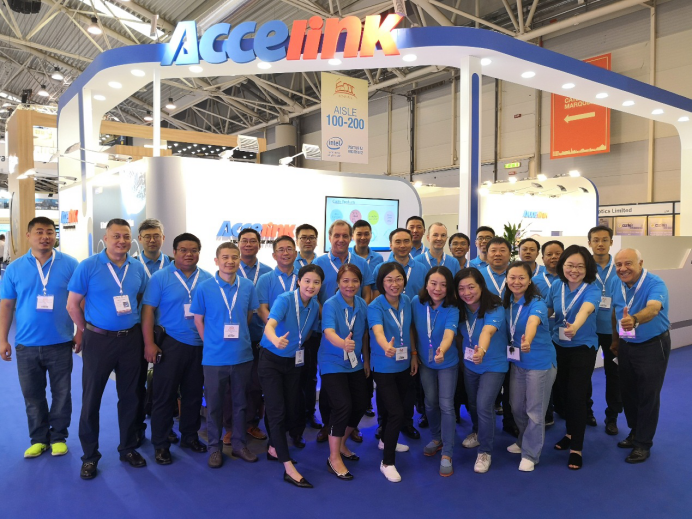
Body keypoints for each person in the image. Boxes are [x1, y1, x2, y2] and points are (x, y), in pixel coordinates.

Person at [66, 219, 148, 480]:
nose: (122, 241)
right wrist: (86, 329)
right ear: (106, 238)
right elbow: (72, 304)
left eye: (126, 236)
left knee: (131, 396)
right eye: (116, 236)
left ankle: (128, 448)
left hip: (131, 340)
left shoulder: (137, 268)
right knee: (92, 399)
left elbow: (139, 299)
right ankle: (90, 456)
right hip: (99, 340)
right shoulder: (88, 265)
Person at [0, 217, 78, 459]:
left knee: (62, 394)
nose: (45, 237)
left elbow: (80, 301)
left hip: (60, 342)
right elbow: (6, 305)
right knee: (32, 396)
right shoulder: (14, 268)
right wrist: (3, 339)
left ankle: (58, 438)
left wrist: (81, 331)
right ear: (28, 235)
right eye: (39, 232)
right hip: (26, 345)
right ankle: (38, 440)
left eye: (50, 232)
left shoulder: (70, 264)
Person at [141, 233, 212, 465]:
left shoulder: (208, 279)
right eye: (183, 250)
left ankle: (190, 437)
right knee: (164, 396)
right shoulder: (160, 278)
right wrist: (149, 344)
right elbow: (148, 311)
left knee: (193, 395)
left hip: (200, 345)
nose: (189, 254)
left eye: (193, 250)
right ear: (174, 252)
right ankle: (161, 444)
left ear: (199, 252)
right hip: (170, 344)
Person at [191, 242, 259, 468]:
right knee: (214, 406)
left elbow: (248, 315)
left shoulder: (247, 286)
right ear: (216, 260)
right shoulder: (204, 287)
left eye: (234, 257)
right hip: (214, 358)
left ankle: (239, 444)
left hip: (242, 356)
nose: (230, 261)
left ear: (239, 260)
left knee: (240, 404)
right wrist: (210, 342)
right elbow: (198, 320)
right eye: (225, 257)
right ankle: (214, 448)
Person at [259, 264, 324, 488]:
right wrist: (275, 339)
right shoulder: (285, 300)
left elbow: (308, 332)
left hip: (293, 361)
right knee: (276, 410)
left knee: (290, 406)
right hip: (271, 360)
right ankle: (288, 467)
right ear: (298, 281)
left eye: (316, 282)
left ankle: (273, 448)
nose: (311, 286)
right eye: (307, 281)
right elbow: (270, 325)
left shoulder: (314, 306)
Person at [313, 221, 373, 436]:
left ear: (350, 237)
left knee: (352, 390)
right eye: (336, 235)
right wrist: (330, 315)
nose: (341, 239)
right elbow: (314, 295)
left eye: (345, 235)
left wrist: (358, 314)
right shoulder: (319, 263)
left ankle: (348, 428)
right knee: (330, 387)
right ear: (329, 238)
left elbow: (367, 292)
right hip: (327, 329)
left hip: (354, 330)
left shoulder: (361, 263)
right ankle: (328, 426)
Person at [611, 248, 670, 464]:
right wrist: (616, 340)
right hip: (627, 344)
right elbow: (615, 312)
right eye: (618, 264)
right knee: (628, 393)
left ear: (640, 263)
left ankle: (643, 444)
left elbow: (653, 309)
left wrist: (634, 319)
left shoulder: (655, 283)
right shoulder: (617, 283)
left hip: (652, 345)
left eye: (628, 263)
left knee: (648, 395)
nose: (623, 268)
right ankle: (635, 432)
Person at [547, 244, 601, 470]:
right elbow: (548, 309)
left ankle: (576, 448)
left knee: (576, 396)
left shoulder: (592, 288)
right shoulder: (556, 286)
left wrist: (575, 326)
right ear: (562, 265)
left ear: (587, 268)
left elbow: (585, 310)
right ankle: (570, 433)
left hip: (582, 347)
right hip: (557, 346)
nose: (574, 270)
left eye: (580, 266)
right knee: (561, 394)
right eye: (570, 265)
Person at [372, 228, 428, 440]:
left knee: (408, 389)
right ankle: (383, 425)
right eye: (398, 241)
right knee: (385, 392)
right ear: (390, 244)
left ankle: (407, 422)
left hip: (408, 340)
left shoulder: (421, 268)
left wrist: (414, 352)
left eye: (406, 241)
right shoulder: (380, 268)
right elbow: (377, 301)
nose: (403, 245)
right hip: (386, 339)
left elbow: (415, 318)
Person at [503, 261, 557, 472]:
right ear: (506, 279)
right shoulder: (508, 302)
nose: (516, 282)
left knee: (535, 411)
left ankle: (531, 454)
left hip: (540, 363)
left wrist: (528, 339)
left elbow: (533, 322)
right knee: (516, 406)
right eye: (512, 277)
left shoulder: (537, 303)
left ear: (529, 280)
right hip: (518, 362)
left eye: (521, 278)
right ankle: (523, 440)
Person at [319, 264, 370, 480]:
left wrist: (366, 360)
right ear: (338, 282)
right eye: (345, 281)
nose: (350, 285)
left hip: (354, 362)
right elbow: (328, 331)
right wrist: (343, 344)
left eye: (355, 281)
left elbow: (364, 334)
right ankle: (333, 457)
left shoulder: (361, 303)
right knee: (342, 405)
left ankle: (341, 443)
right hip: (332, 361)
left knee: (361, 403)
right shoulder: (331, 304)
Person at [368, 262, 418, 483]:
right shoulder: (375, 306)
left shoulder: (407, 300)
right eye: (389, 280)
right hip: (384, 366)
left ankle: (386, 441)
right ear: (381, 283)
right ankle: (387, 463)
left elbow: (409, 329)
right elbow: (378, 331)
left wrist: (414, 354)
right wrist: (385, 346)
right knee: (397, 412)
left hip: (404, 364)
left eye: (398, 279)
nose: (394, 284)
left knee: (395, 410)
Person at [456, 267, 508, 474]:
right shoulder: (460, 308)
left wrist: (482, 350)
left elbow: (487, 331)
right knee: (472, 403)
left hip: (493, 364)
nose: (466, 293)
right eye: (461, 288)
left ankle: (485, 450)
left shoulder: (494, 306)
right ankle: (478, 432)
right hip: (470, 364)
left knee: (484, 405)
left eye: (471, 287)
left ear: (481, 286)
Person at [222, 228, 271, 446]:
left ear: (260, 245)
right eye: (244, 241)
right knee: (230, 385)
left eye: (253, 241)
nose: (248, 244)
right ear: (238, 244)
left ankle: (251, 423)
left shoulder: (267, 272)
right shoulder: (228, 269)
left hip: (259, 337)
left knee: (254, 385)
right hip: (232, 339)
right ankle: (230, 427)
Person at [411, 266, 459, 477]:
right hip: (425, 362)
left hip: (447, 362)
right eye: (433, 283)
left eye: (443, 285)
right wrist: (414, 353)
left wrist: (443, 349)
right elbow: (411, 328)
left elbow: (449, 333)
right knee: (430, 403)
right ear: (426, 284)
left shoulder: (453, 308)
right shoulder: (416, 302)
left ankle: (447, 452)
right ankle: (436, 438)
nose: (437, 289)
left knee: (446, 404)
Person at [257, 236, 303, 438]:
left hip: (298, 345)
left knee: (295, 394)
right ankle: (275, 440)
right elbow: (262, 308)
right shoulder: (266, 279)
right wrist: (276, 329)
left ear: (296, 253)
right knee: (274, 398)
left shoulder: (304, 277)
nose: (285, 253)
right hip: (273, 344)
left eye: (289, 249)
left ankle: (295, 432)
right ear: (274, 255)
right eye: (281, 249)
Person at [480, 236, 517, 436]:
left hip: (514, 335)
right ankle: (485, 425)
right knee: (489, 382)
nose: (497, 254)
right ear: (486, 253)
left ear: (509, 253)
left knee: (512, 383)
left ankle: (510, 421)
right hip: (488, 337)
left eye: (502, 250)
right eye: (493, 250)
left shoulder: (516, 275)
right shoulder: (478, 276)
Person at [587, 226, 622, 435]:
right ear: (589, 243)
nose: (600, 243)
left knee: (614, 374)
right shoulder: (583, 267)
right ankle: (586, 411)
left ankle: (612, 417)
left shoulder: (619, 267)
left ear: (611, 242)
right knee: (584, 374)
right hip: (588, 329)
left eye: (604, 240)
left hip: (613, 331)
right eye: (596, 240)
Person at [532, 239, 564, 424]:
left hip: (565, 334)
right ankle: (547, 412)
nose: (553, 257)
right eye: (549, 254)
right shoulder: (534, 281)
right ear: (542, 258)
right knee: (545, 374)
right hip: (541, 335)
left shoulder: (570, 279)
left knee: (563, 375)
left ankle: (563, 408)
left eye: (558, 253)